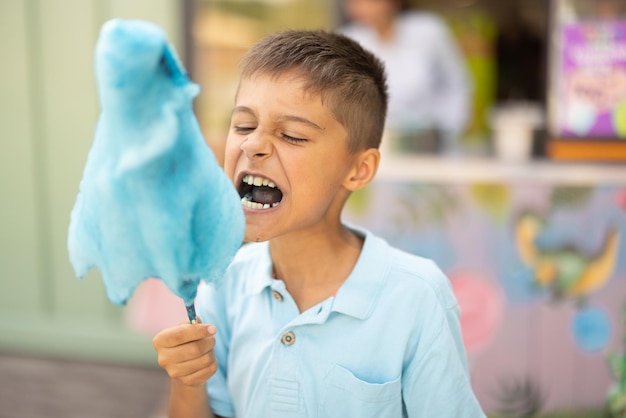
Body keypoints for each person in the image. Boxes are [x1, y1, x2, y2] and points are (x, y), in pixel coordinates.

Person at [152, 29, 485, 417]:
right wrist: (188, 378)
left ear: (359, 170)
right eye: (243, 126)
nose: (251, 144)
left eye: (292, 135)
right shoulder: (223, 284)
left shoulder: (416, 298)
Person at [339, 0, 472, 154]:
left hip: (432, 141)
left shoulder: (428, 30)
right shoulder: (348, 39)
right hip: (378, 144)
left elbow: (457, 82)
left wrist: (451, 126)